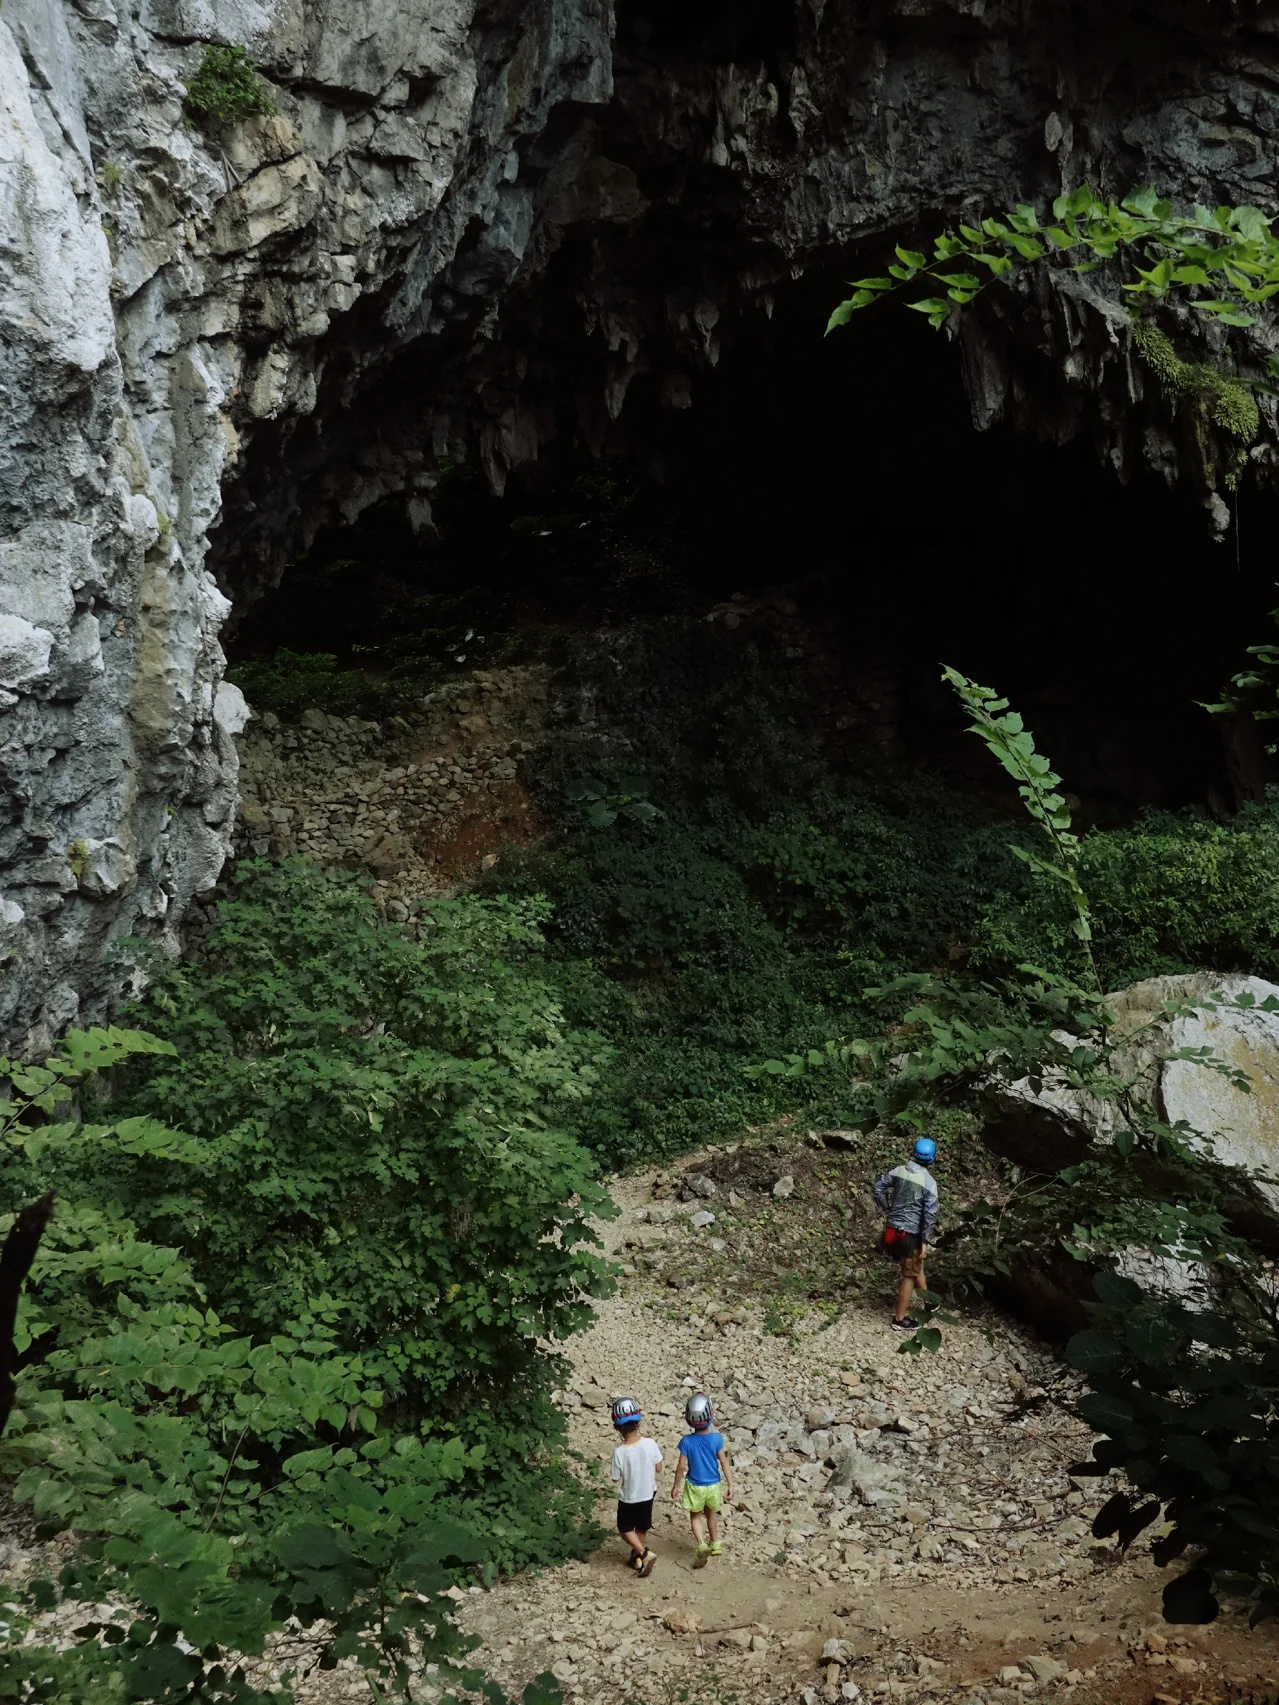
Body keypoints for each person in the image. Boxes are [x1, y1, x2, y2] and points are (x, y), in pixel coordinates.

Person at [872, 1136, 939, 1330]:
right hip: (910, 1235)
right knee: (909, 1274)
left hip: (892, 1231)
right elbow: (929, 1215)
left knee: (916, 1264)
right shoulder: (929, 1182)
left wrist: (886, 1208)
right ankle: (899, 1320)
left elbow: (878, 1186)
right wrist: (925, 1241)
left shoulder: (898, 1171)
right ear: (932, 1158)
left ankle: (928, 1302)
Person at [670, 1392, 732, 1568]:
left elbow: (681, 1466)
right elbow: (724, 1462)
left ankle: (701, 1543)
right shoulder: (716, 1439)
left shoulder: (686, 1441)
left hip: (694, 1485)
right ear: (711, 1415)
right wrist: (730, 1484)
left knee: (695, 1516)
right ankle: (715, 1543)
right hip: (713, 1484)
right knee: (711, 1513)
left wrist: (676, 1485)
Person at [609, 1396, 662, 1576]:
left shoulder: (619, 1452)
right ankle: (637, 1558)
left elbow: (615, 1478)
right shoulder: (650, 1443)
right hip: (648, 1493)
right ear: (639, 1422)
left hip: (629, 1497)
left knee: (624, 1529)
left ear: (617, 1427)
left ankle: (644, 1554)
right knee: (641, 1526)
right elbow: (659, 1467)